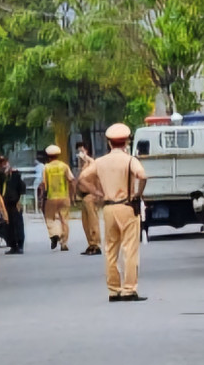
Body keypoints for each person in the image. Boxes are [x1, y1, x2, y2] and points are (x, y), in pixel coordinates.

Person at [78, 123, 148, 302]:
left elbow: (82, 179)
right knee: (129, 249)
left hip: (108, 207)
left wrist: (97, 192)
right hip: (127, 205)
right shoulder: (131, 160)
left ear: (109, 143)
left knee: (110, 249)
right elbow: (142, 175)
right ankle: (129, 289)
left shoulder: (100, 162)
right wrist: (138, 194)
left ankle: (113, 289)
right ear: (126, 142)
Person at [41, 144, 75, 251]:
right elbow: (71, 180)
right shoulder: (64, 166)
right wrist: (72, 195)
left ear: (48, 156)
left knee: (49, 218)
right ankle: (64, 243)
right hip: (64, 196)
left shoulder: (46, 167)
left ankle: (55, 234)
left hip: (51, 197)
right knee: (64, 220)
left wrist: (42, 197)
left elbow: (43, 184)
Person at [75, 141, 102, 256]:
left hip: (92, 196)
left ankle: (96, 244)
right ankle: (90, 244)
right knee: (85, 222)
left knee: (92, 221)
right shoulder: (83, 166)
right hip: (84, 197)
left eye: (82, 150)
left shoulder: (92, 164)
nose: (79, 154)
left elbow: (95, 165)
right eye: (78, 151)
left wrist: (86, 157)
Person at [0, 157, 26, 254]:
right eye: (1, 164)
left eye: (5, 163)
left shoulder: (15, 175)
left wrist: (20, 201)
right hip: (5, 204)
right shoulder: (0, 176)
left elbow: (22, 188)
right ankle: (12, 246)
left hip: (15, 203)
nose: (3, 165)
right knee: (7, 226)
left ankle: (20, 245)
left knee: (17, 225)